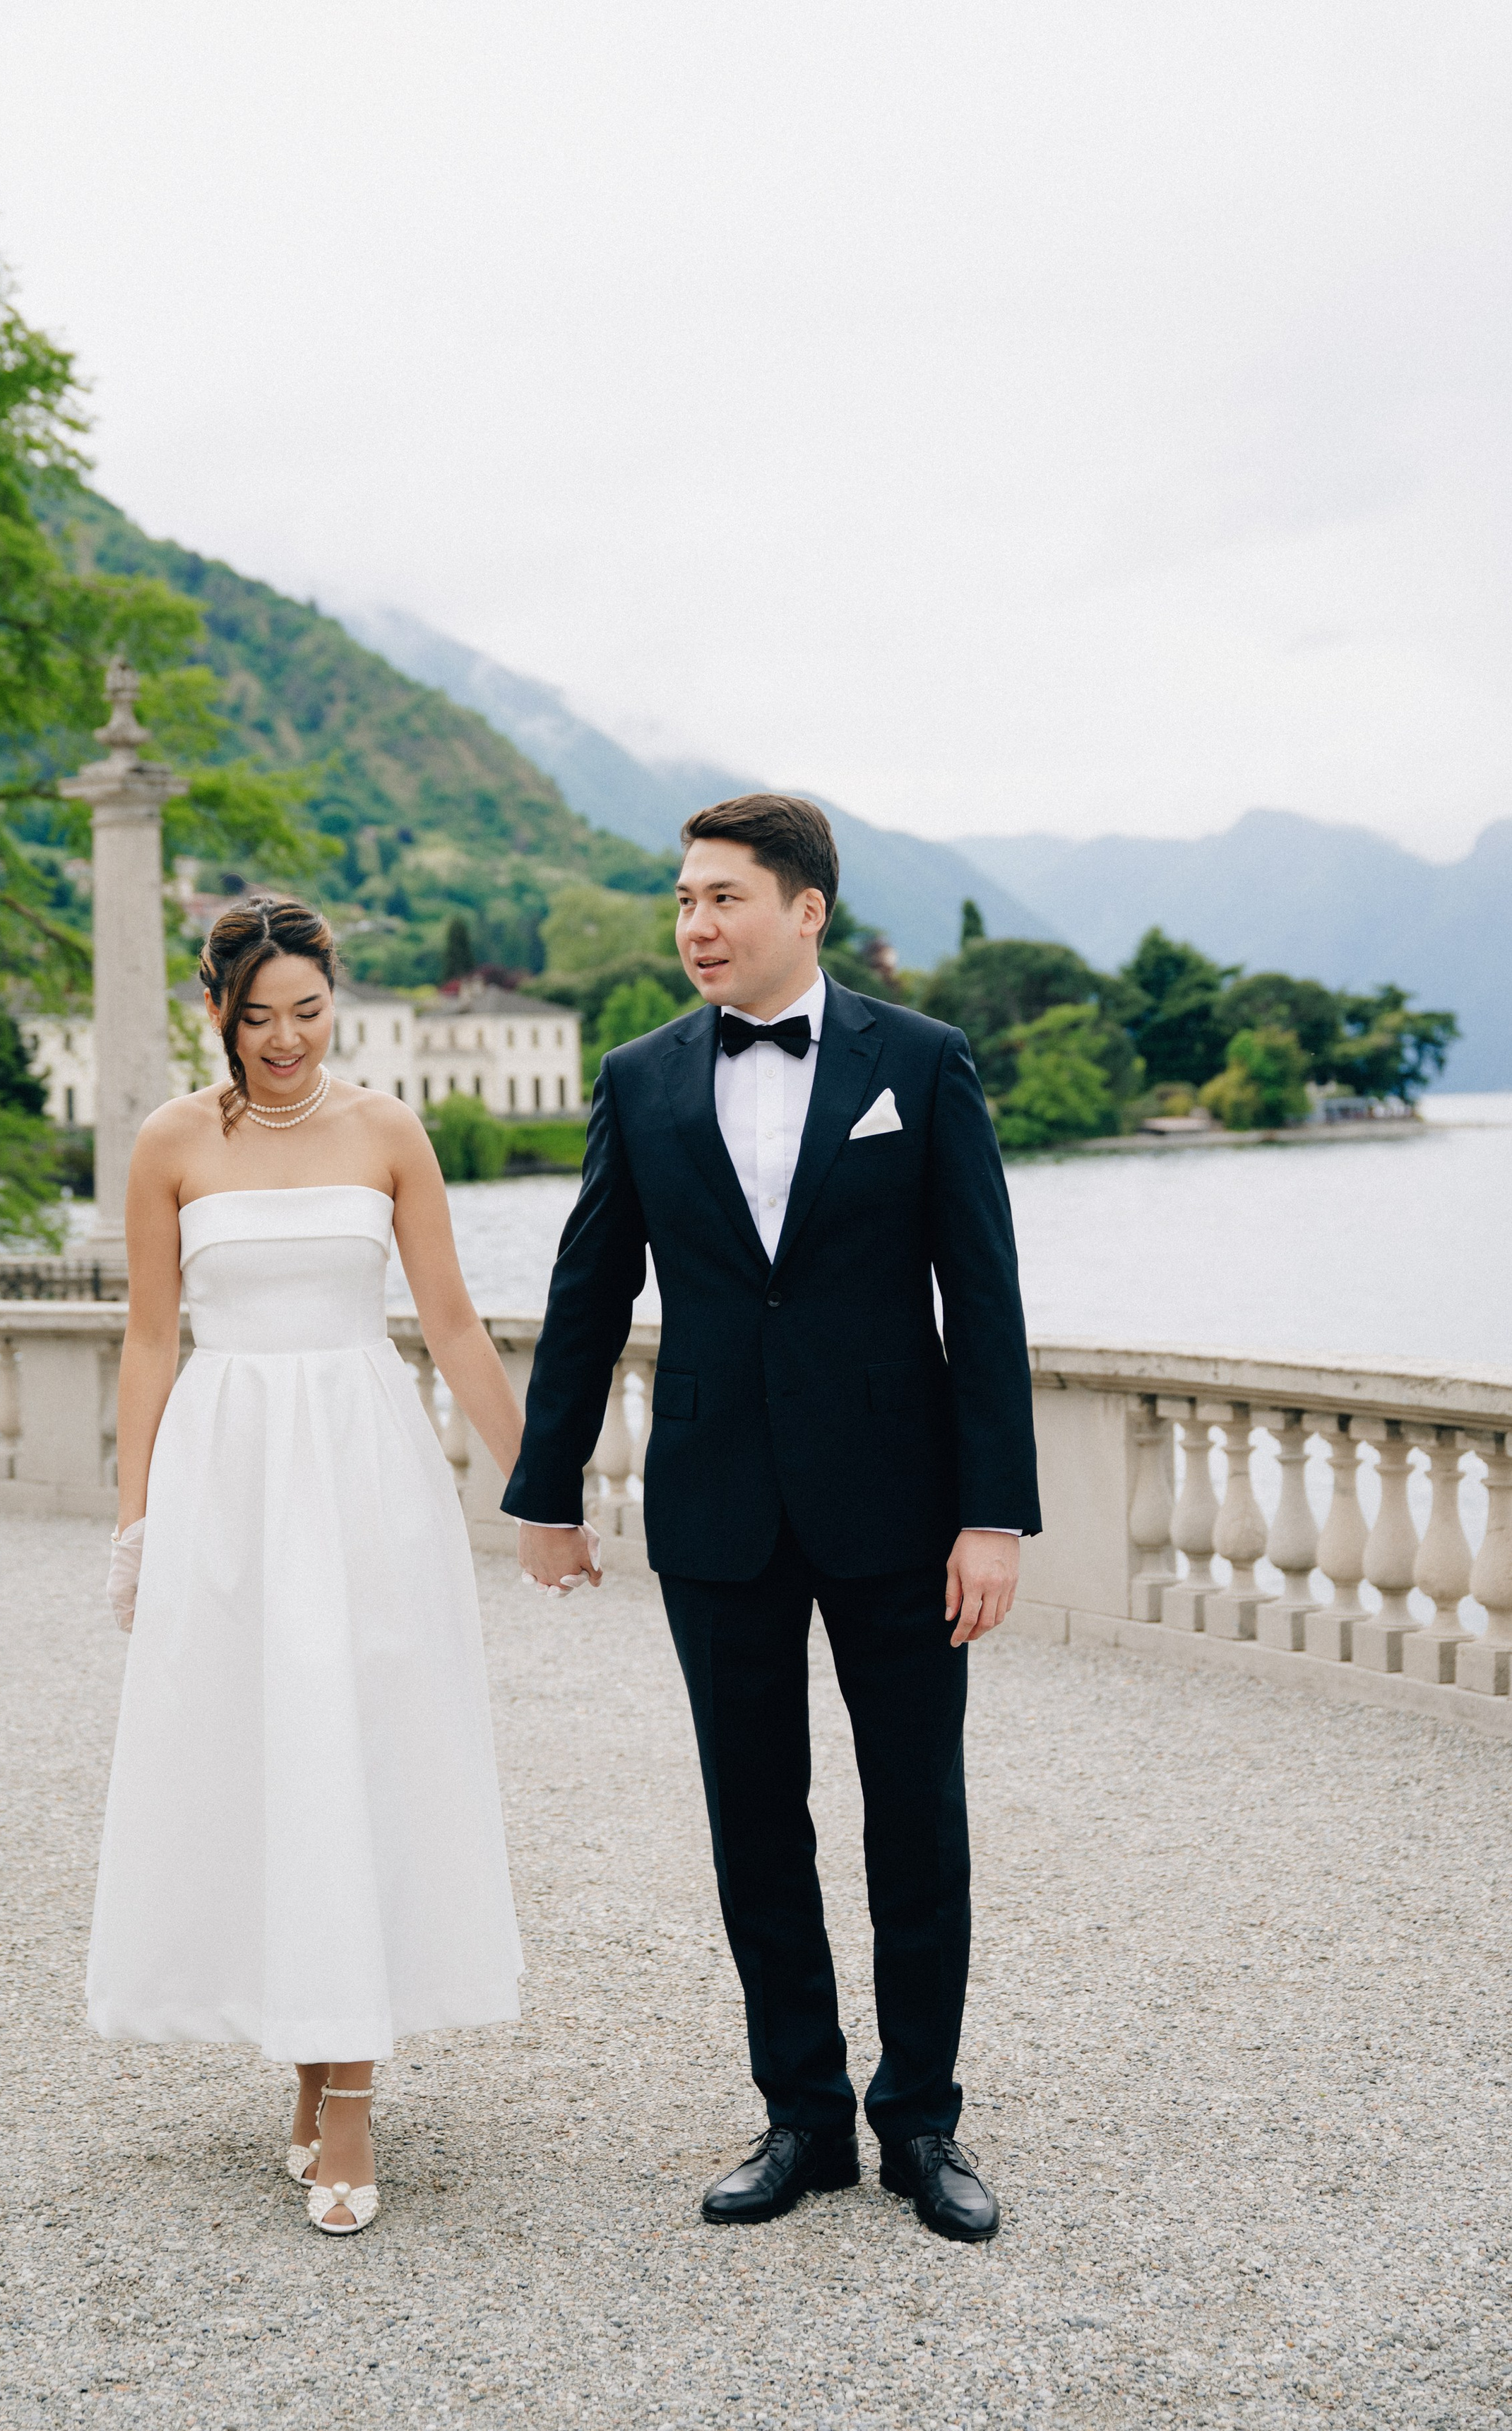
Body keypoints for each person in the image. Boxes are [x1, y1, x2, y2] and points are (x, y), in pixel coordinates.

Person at [505, 796, 1040, 2242]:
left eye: (723, 898)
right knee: (754, 1818)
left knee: (914, 1817)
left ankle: (919, 2122)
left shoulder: (918, 1066)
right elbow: (585, 1295)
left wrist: (990, 1514)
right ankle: (798, 2116)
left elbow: (981, 1301)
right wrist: (545, 1489)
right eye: (682, 900)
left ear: (804, 909)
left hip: (901, 1505)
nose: (695, 925)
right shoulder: (637, 1076)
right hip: (715, 1505)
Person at [87, 896, 528, 2235]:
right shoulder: (170, 1143)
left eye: (309, 1012)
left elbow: (449, 1322)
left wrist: (543, 1487)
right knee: (273, 1756)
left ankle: (348, 2102)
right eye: (257, 1015)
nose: (285, 1039)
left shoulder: (389, 1129)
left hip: (361, 1470)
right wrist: (139, 1521)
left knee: (361, 1747)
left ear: (337, 999)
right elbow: (151, 1344)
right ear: (216, 1012)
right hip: (228, 1476)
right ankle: (309, 2042)